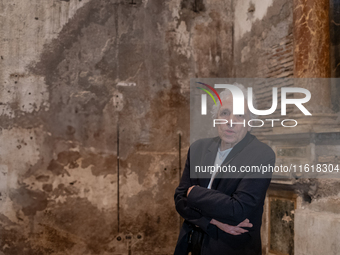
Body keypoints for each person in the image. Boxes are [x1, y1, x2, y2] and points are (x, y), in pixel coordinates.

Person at [174, 83, 275, 255]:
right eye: (225, 113)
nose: (230, 122)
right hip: (192, 244)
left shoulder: (261, 154)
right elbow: (179, 199)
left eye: (240, 116)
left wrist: (194, 193)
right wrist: (213, 221)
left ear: (250, 123)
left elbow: (237, 210)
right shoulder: (198, 148)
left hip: (230, 248)